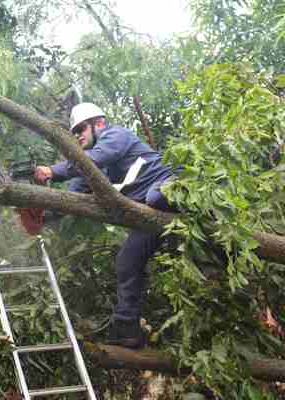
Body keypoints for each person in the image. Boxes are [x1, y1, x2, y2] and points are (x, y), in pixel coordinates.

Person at [34, 103, 179, 348]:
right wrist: (41, 215)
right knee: (127, 261)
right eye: (74, 132)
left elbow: (91, 159)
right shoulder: (93, 171)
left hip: (166, 187)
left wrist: (53, 171)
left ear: (98, 123)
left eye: (81, 129)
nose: (78, 135)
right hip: (149, 216)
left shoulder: (116, 136)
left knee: (156, 196)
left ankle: (201, 215)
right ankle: (127, 330)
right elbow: (73, 197)